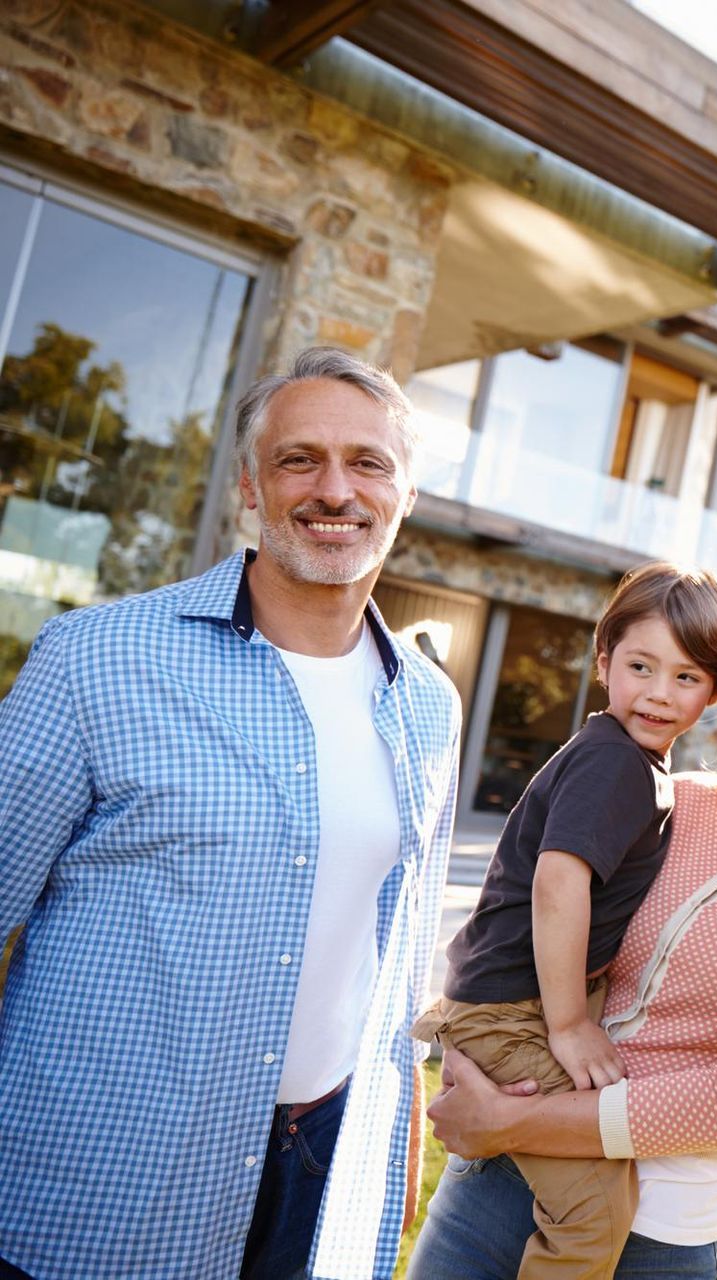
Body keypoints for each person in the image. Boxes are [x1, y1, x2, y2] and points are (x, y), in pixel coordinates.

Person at [0, 348, 461, 1279]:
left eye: (368, 463)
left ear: (405, 495)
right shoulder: (95, 660)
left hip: (319, 1163)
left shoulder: (429, 705)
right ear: (251, 486)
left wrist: (399, 1132)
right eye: (299, 459)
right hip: (105, 1163)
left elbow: (397, 953)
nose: (335, 490)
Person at [412, 577, 717, 1279]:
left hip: (657, 1232)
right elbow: (532, 912)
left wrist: (509, 1120)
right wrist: (477, 1044)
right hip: (492, 1186)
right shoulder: (668, 799)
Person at [412, 561, 717, 1280]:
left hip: (503, 1001)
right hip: (515, 1010)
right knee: (595, 1214)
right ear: (603, 661)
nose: (659, 692)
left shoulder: (629, 763)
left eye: (686, 677)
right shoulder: (614, 765)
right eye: (641, 666)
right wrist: (566, 1024)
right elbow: (559, 883)